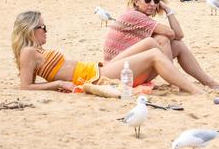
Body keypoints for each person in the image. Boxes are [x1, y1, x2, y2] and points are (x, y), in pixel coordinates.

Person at [11, 10, 203, 94]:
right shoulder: (28, 52)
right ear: (30, 29)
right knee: (153, 54)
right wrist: (59, 83)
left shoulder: (35, 50)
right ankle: (193, 90)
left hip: (96, 68)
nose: (46, 30)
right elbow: (25, 87)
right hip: (95, 77)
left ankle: (204, 81)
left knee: (152, 42)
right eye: (42, 27)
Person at [103, 0, 219, 89]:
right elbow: (171, 33)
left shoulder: (141, 18)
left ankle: (209, 82)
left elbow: (179, 36)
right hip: (115, 72)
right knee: (161, 39)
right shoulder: (133, 15)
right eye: (147, 0)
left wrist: (167, 9)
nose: (152, 4)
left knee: (177, 45)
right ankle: (176, 80)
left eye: (156, 1)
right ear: (136, 1)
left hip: (130, 67)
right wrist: (167, 9)